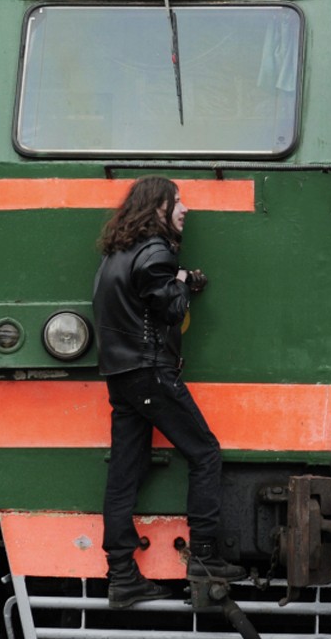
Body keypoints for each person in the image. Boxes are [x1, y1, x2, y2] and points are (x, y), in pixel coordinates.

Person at [93, 175, 245, 609]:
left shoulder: (115, 254)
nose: (185, 209)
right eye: (177, 202)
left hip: (121, 376)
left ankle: (122, 576)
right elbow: (172, 308)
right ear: (158, 206)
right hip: (150, 372)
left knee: (124, 473)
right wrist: (182, 280)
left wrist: (176, 278)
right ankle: (205, 558)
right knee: (205, 453)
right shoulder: (157, 251)